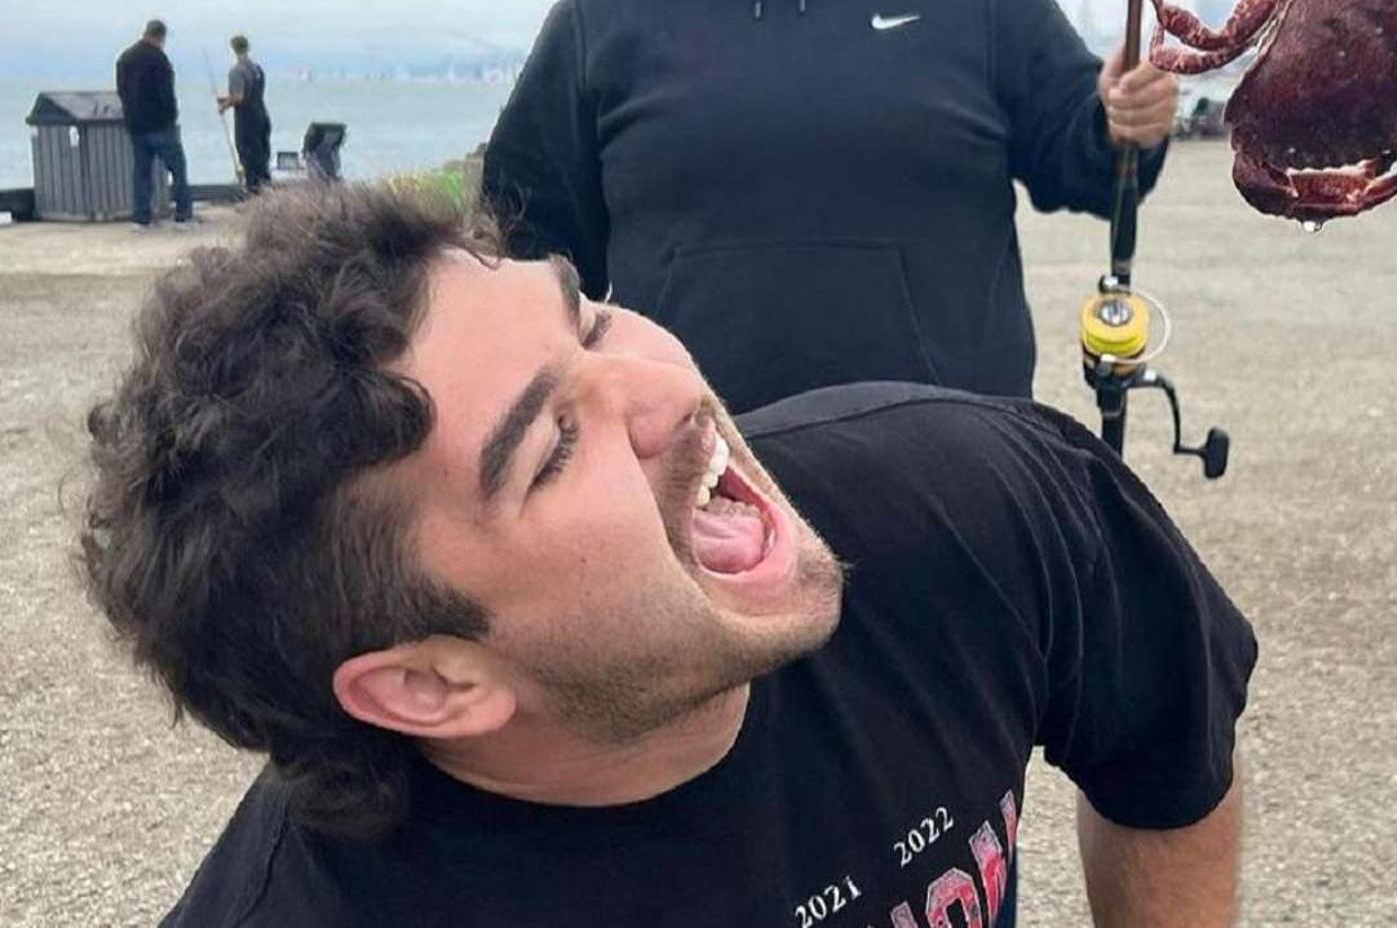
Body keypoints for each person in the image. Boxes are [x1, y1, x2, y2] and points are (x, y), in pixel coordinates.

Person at [80, 183, 1256, 926]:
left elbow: (1166, 753)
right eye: (550, 448)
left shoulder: (974, 501)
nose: (669, 389)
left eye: (588, 314)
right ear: (432, 681)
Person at [483, 0, 1181, 415]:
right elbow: (524, 249)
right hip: (689, 474)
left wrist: (1125, 121)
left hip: (954, 470)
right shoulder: (602, 14)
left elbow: (1089, 159)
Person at [114, 19, 195, 230]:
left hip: (135, 124)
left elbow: (121, 91)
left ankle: (141, 219)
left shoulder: (125, 58)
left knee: (141, 172)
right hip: (160, 124)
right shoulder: (159, 60)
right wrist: (171, 115)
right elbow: (166, 94)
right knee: (177, 168)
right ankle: (183, 216)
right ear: (161, 37)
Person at [216, 34, 273, 193]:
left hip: (246, 119)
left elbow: (240, 97)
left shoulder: (236, 71)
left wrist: (224, 106)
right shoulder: (257, 69)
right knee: (261, 154)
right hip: (261, 114)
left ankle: (253, 190)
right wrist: (228, 99)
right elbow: (251, 93)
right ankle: (265, 189)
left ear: (233, 49)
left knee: (247, 154)